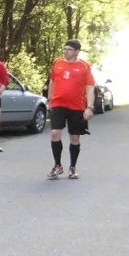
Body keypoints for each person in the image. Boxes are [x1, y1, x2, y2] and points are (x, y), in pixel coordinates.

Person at [47, 39, 96, 180]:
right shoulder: (58, 63)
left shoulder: (84, 67)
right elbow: (52, 81)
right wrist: (50, 98)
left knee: (74, 137)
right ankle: (57, 166)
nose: (65, 51)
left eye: (69, 49)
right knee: (55, 133)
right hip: (58, 104)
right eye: (64, 49)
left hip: (77, 106)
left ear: (77, 51)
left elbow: (89, 87)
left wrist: (89, 107)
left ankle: (73, 167)